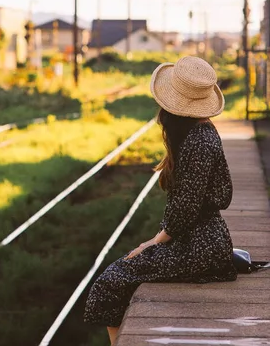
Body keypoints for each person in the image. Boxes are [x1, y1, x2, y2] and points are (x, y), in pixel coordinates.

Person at [84, 56, 237, 345]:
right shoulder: (201, 134)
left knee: (109, 282)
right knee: (116, 278)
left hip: (199, 248)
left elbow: (185, 210)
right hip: (203, 242)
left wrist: (155, 241)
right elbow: (221, 194)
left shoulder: (199, 141)